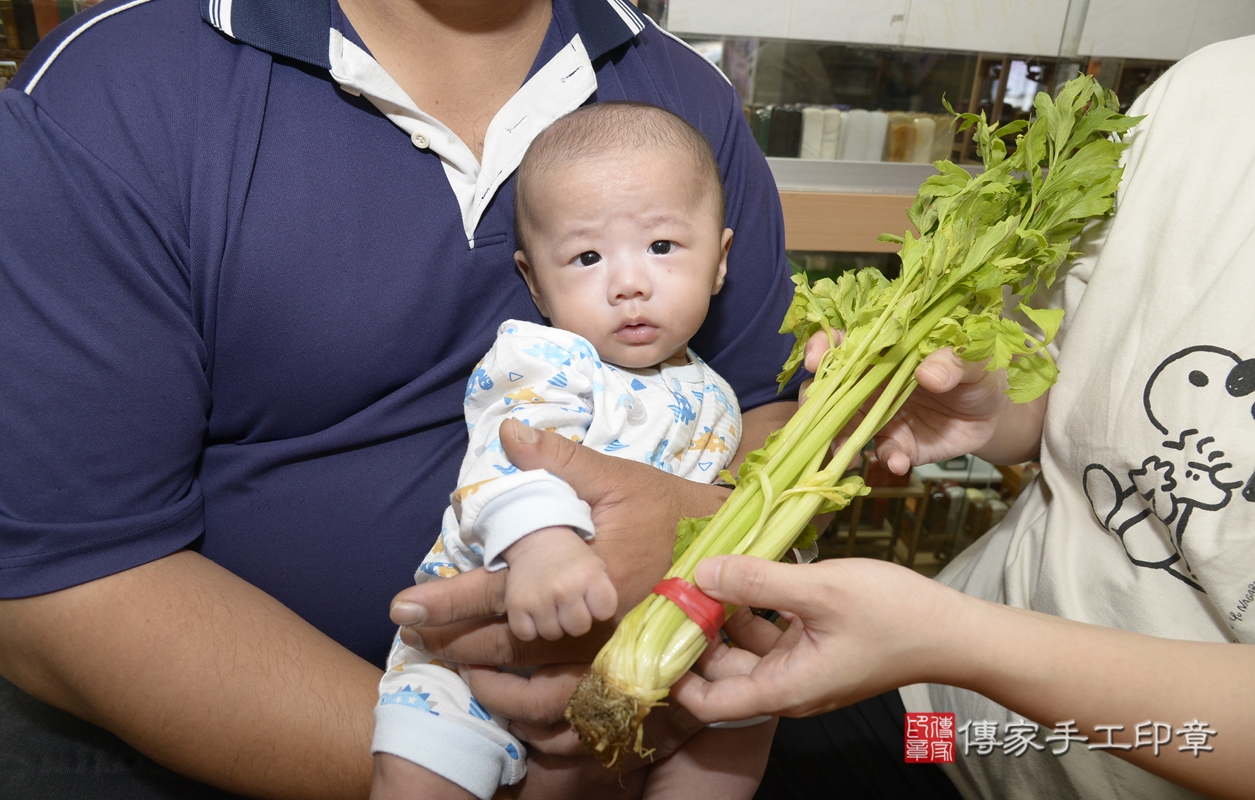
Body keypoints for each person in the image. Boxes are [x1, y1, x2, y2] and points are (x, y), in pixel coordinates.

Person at [0, 1, 803, 798]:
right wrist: (489, 773)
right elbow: (58, 580)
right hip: (265, 742)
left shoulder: (688, 96)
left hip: (667, 690)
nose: (630, 279)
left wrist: (701, 559)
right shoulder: (116, 88)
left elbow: (768, 402)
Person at [656, 34, 1255, 800]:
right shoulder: (1210, 91)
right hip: (947, 721)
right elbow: (1076, 382)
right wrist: (994, 412)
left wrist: (950, 640)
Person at [372, 101, 774, 800]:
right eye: (587, 258)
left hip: (642, 650)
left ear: (719, 260)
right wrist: (544, 546)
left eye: (662, 247)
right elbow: (503, 462)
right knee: (419, 753)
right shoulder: (544, 359)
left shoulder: (712, 394)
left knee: (750, 708)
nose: (628, 282)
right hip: (481, 644)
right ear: (535, 282)